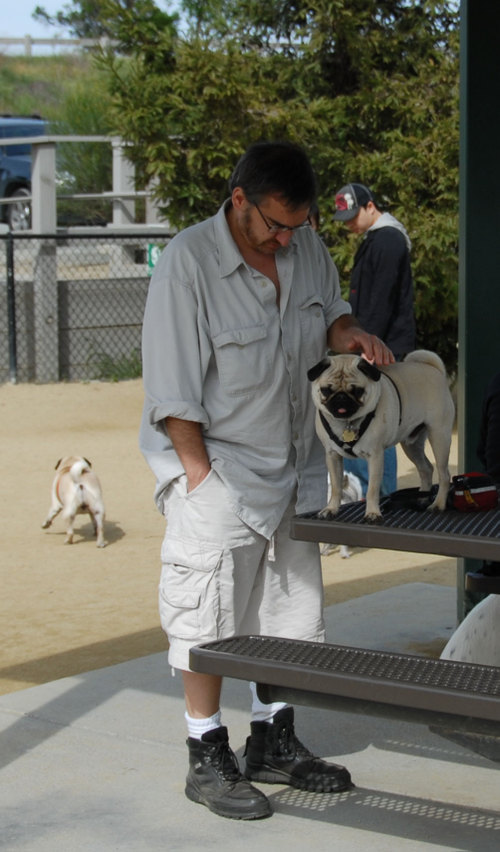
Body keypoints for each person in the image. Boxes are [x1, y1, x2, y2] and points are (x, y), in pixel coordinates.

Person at [140, 142, 394, 821]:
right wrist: (199, 480)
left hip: (296, 467)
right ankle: (206, 752)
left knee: (289, 612)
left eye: (298, 225)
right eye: (275, 226)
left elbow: (331, 312)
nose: (287, 239)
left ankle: (272, 739)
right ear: (239, 199)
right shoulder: (187, 265)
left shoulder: (306, 246)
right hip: (218, 467)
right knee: (209, 617)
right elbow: (171, 394)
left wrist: (351, 334)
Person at [333, 181, 416, 496]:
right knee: (358, 418)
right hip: (370, 343)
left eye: (354, 216)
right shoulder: (377, 239)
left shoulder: (388, 240)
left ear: (371, 206)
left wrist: (366, 346)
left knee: (377, 421)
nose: (350, 224)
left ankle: (378, 491)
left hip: (378, 347)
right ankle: (363, 488)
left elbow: (381, 300)